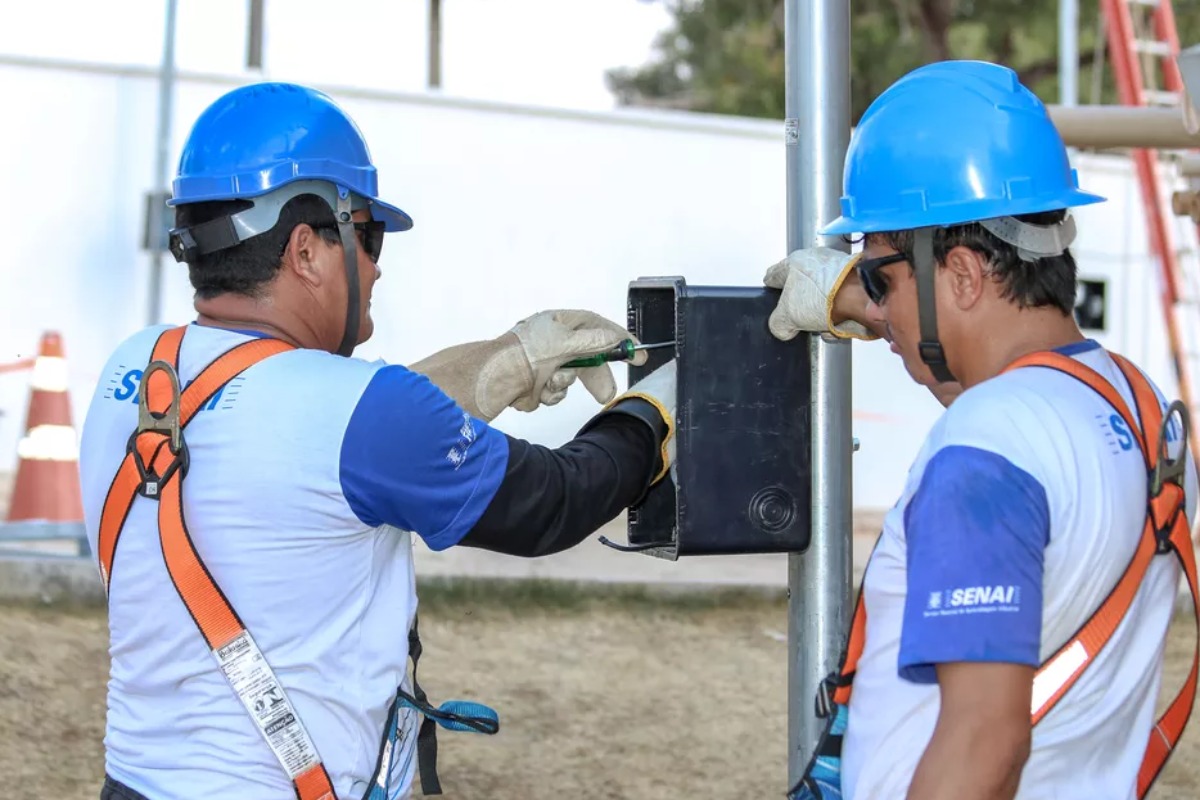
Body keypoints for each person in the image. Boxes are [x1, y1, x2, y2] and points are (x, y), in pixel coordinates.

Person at [78, 82, 675, 800]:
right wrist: (658, 407)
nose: (378, 264)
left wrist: (502, 360)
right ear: (305, 248)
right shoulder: (356, 414)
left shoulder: (131, 369)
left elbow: (297, 425)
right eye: (367, 234)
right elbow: (556, 500)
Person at [763, 60, 1197, 798]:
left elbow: (983, 744)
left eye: (879, 279)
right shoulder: (1134, 403)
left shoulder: (985, 449)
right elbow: (1017, 393)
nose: (878, 305)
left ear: (962, 274)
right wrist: (867, 302)